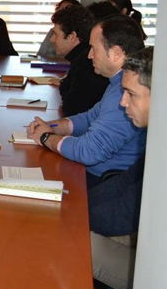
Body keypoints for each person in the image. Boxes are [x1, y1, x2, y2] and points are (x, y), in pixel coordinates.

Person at [25, 15, 146, 183]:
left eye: (94, 49)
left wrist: (46, 138)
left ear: (116, 53)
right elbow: (91, 117)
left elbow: (90, 151)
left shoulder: (124, 92)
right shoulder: (117, 82)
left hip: (104, 180)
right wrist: (55, 126)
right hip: (93, 174)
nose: (89, 56)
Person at [89, 47, 151, 289]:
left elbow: (126, 213)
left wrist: (72, 222)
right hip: (143, 240)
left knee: (70, 246)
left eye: (131, 94)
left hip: (155, 272)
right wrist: (75, 211)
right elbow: (124, 184)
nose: (123, 102)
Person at [49, 5, 109, 116]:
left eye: (56, 34)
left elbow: (72, 109)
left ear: (71, 36)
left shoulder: (86, 62)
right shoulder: (81, 56)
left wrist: (63, 83)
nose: (52, 39)